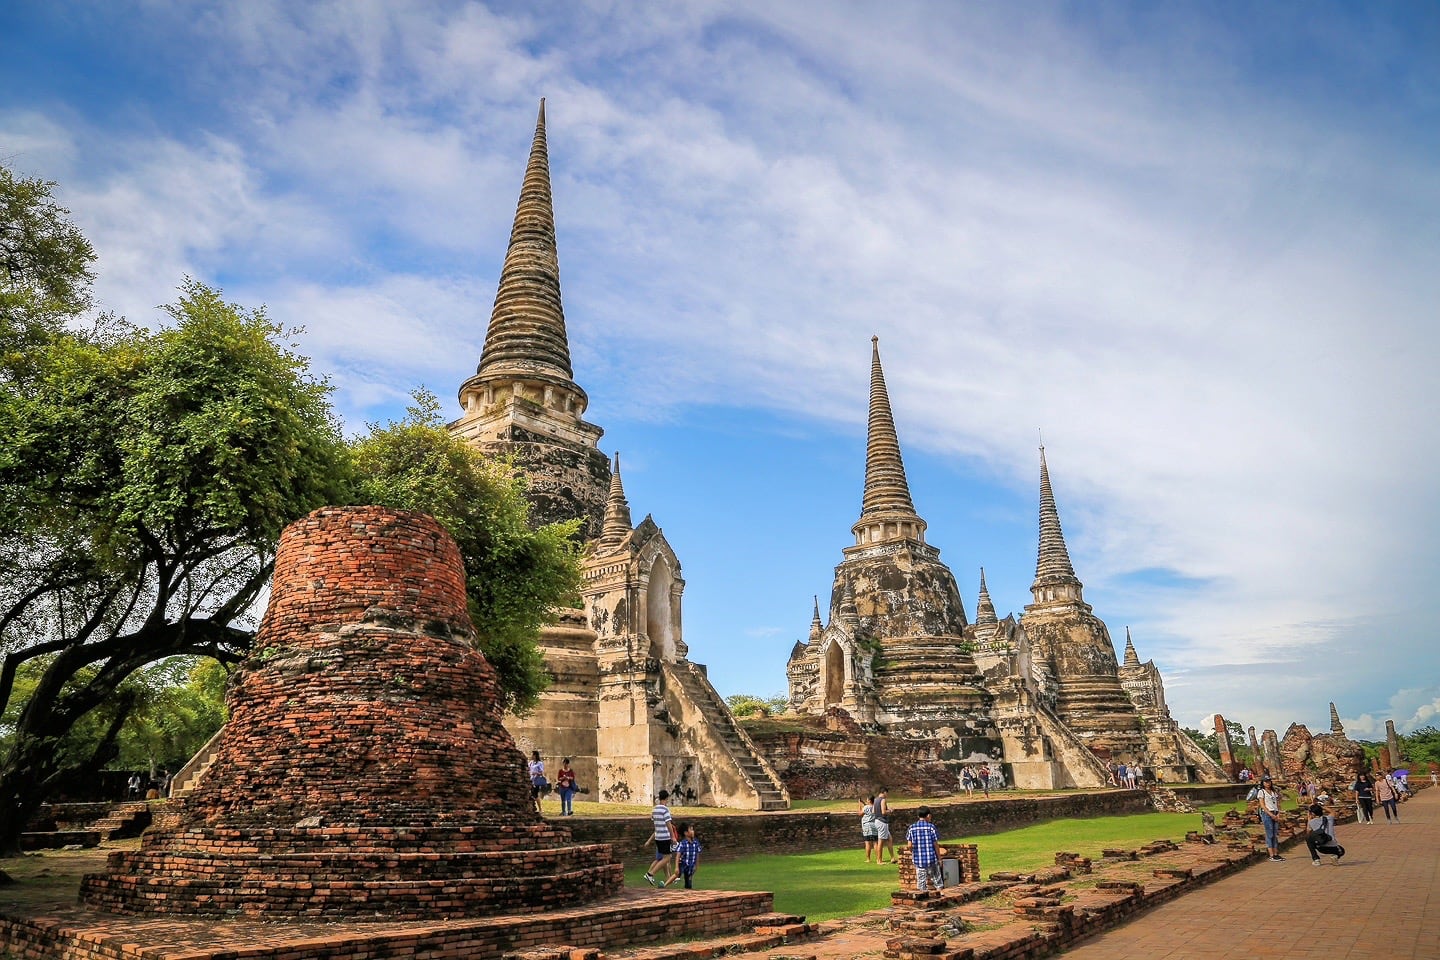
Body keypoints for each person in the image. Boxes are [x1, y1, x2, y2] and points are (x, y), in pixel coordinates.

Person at [643, 789, 677, 887]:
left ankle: (667, 878)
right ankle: (650, 874)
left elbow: (656, 824)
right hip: (664, 837)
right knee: (668, 857)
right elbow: (668, 823)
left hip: (658, 837)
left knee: (662, 858)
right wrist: (673, 836)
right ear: (666, 798)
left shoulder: (655, 809)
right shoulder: (665, 809)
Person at [905, 806, 942, 892]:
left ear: (918, 816)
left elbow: (909, 845)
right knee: (937, 881)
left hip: (919, 860)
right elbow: (935, 845)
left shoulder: (912, 828)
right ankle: (941, 895)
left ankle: (923, 899)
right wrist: (939, 858)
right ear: (928, 816)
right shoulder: (931, 827)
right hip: (932, 859)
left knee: (921, 884)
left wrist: (913, 852)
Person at [1257, 775, 1285, 861]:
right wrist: (1270, 814)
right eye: (1266, 782)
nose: (1268, 783)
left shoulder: (1273, 792)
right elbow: (1262, 805)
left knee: (1275, 834)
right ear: (1262, 783)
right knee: (1270, 834)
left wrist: (1278, 814)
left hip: (1275, 812)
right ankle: (1271, 855)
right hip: (1267, 813)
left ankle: (1276, 853)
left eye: (1269, 781)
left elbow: (1277, 803)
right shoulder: (1261, 792)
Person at [672, 822, 702, 889]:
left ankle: (688, 892)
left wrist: (696, 866)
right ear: (686, 833)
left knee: (688, 883)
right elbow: (678, 855)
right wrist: (676, 867)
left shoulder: (695, 842)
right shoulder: (683, 843)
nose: (693, 831)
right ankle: (664, 885)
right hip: (683, 864)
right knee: (677, 875)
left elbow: (697, 855)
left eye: (693, 829)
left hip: (690, 866)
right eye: (691, 830)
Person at [874, 789, 894, 863]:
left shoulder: (875, 800)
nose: (887, 795)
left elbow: (873, 811)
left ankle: (892, 858)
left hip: (877, 820)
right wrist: (890, 810)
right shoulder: (883, 800)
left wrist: (887, 809)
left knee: (889, 839)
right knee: (881, 841)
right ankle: (879, 860)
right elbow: (883, 812)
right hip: (882, 822)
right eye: (887, 793)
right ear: (884, 792)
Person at [859, 795, 879, 863]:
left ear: (869, 800)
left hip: (867, 826)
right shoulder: (875, 807)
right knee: (875, 842)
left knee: (867, 843)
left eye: (867, 799)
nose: (866, 801)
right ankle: (878, 858)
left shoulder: (866, 807)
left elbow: (860, 814)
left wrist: (859, 805)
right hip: (874, 825)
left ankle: (868, 859)